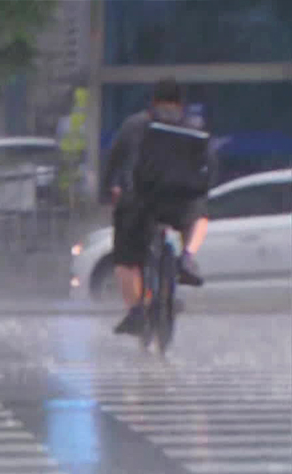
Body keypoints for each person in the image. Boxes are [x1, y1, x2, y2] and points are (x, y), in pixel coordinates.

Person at [102, 77, 212, 335]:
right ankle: (188, 257)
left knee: (125, 260)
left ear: (152, 101)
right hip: (180, 203)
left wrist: (110, 189)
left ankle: (137, 312)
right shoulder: (194, 126)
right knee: (200, 214)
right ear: (181, 104)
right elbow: (207, 166)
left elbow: (114, 161)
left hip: (140, 201)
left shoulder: (134, 125)